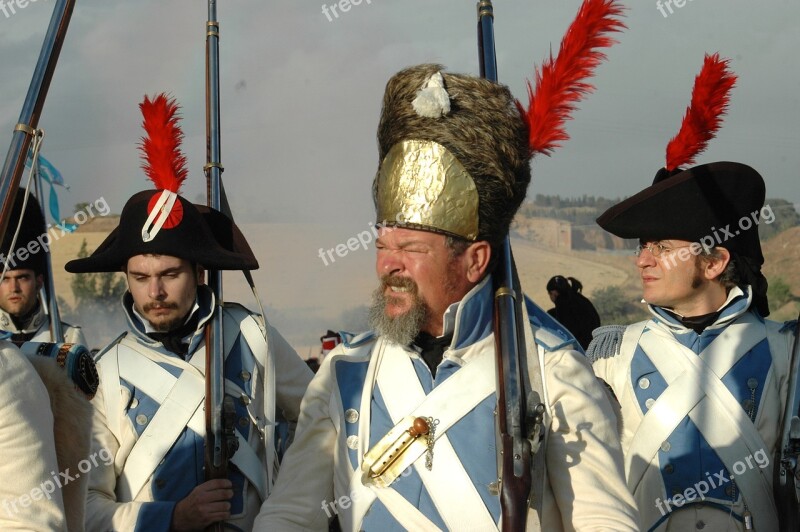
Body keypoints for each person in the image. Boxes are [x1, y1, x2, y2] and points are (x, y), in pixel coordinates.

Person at [254, 62, 638, 531]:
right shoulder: (345, 373)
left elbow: (603, 520)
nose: (387, 266)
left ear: (474, 260)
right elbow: (291, 514)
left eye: (410, 249)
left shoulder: (550, 369)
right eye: (382, 247)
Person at [65, 93, 313, 531]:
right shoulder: (104, 374)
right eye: (140, 277)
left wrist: (285, 513)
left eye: (170, 273)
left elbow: (321, 427)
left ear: (199, 272)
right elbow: (87, 507)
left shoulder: (252, 335)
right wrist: (173, 517)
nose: (155, 291)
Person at [588, 54, 796, 531]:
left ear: (715, 261)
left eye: (661, 247)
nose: (642, 260)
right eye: (643, 247)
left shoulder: (788, 353)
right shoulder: (610, 354)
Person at [0, 188, 86, 346]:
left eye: (22, 277)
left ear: (39, 281)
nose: (14, 288)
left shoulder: (69, 338)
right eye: (5, 279)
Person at [545, 275, 601, 349]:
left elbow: (565, 329)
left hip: (583, 348)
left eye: (549, 294)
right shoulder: (580, 298)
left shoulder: (562, 303)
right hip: (595, 342)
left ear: (554, 292)